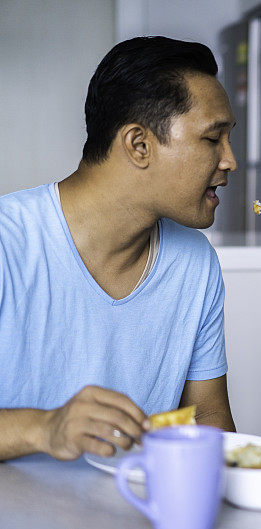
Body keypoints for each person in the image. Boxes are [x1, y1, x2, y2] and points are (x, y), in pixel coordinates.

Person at [0, 36, 237, 461]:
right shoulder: (8, 242)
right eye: (212, 139)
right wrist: (44, 428)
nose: (229, 160)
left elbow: (208, 416)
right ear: (138, 145)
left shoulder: (195, 263)